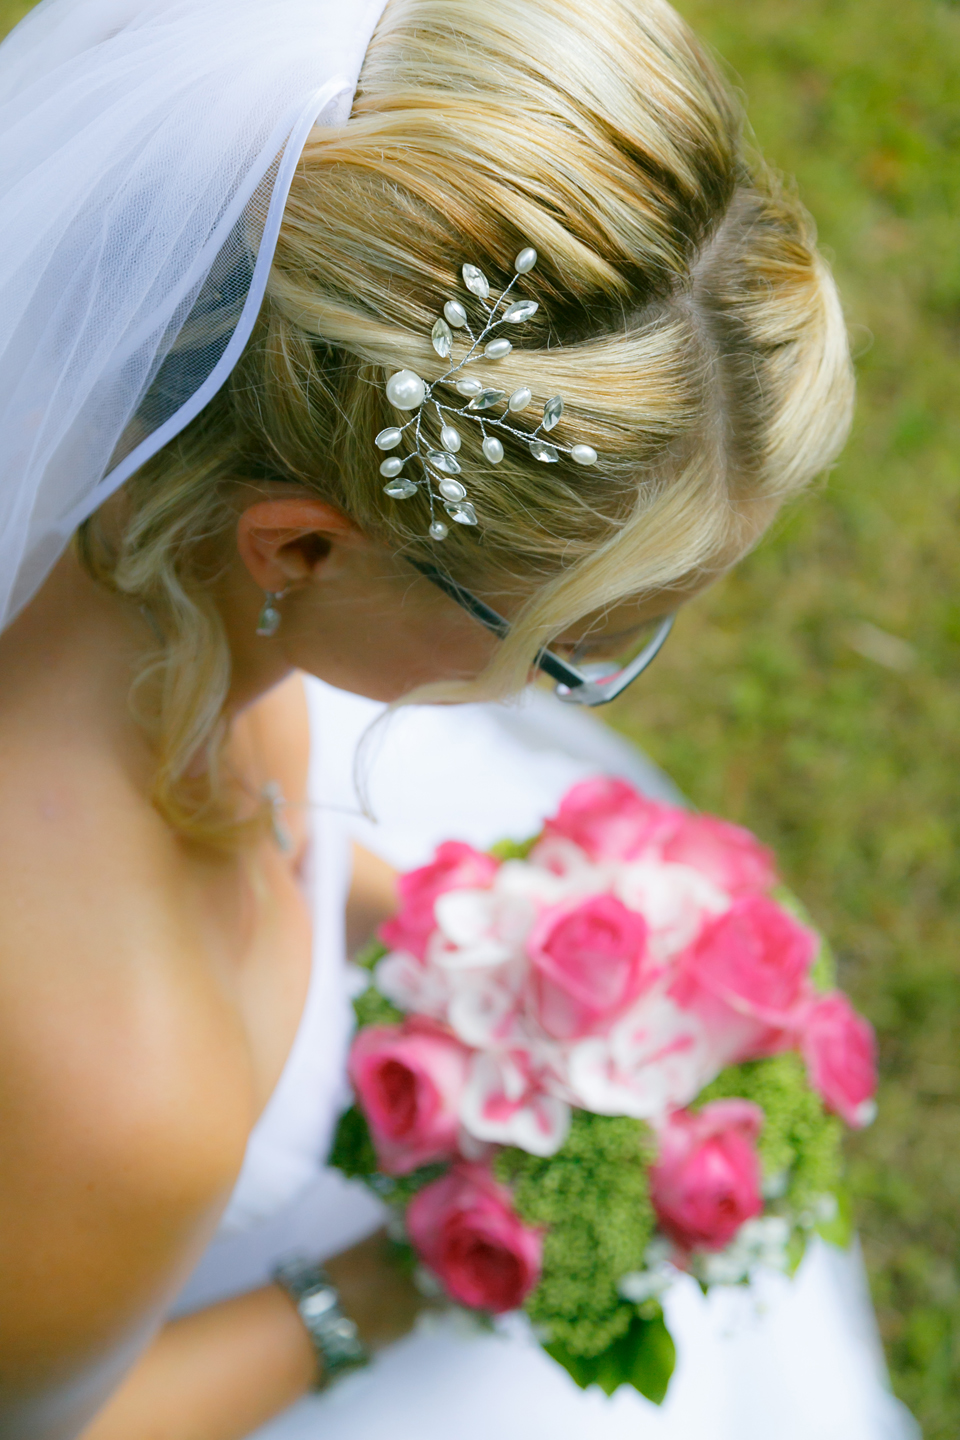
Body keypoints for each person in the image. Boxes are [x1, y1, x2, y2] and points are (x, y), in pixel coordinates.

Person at [0, 0, 859, 1436]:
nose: (563, 679)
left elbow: (266, 850)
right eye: (577, 643)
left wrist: (474, 946)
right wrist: (400, 1281)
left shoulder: (132, 552)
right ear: (301, 547)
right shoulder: (112, 1085)